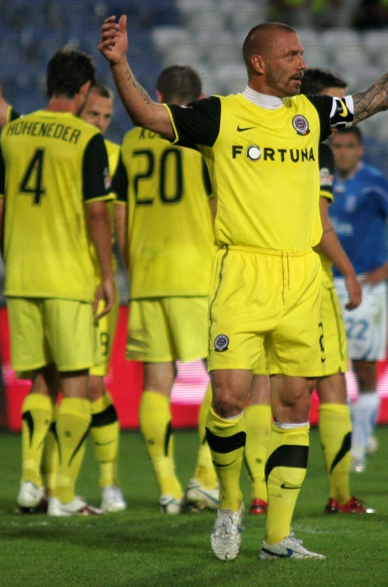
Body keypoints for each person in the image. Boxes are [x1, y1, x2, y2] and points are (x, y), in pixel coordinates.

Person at [99, 0, 388, 560]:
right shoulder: (220, 115)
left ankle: (278, 535)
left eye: (302, 54)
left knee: (295, 403)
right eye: (291, 55)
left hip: (300, 276)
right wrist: (119, 65)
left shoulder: (312, 114)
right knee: (229, 396)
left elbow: (378, 96)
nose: (302, 63)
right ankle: (229, 503)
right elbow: (149, 116)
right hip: (241, 272)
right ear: (259, 62)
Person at [0, 0, 126, 513]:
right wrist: (106, 275)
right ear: (83, 92)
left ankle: (29, 482)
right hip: (68, 279)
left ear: (48, 85)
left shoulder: (14, 132)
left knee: (40, 380)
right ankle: (62, 492)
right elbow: (97, 213)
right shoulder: (86, 140)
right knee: (77, 383)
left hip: (22, 277)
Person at [111, 64, 225, 515]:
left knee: (157, 382)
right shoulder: (201, 139)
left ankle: (166, 486)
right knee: (222, 374)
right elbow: (216, 207)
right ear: (198, 97)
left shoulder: (130, 141)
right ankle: (204, 478)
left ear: (156, 95)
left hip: (147, 274)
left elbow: (120, 212)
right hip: (196, 272)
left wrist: (132, 265)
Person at [327, 127, 388, 473]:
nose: (342, 152)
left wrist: (387, 268)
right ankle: (355, 437)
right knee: (326, 370)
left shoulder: (373, 182)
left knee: (364, 369)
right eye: (337, 146)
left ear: (360, 149)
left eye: (349, 146)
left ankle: (357, 450)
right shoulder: (319, 179)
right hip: (324, 284)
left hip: (364, 287)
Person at [300, 67, 372, 513]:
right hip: (311, 278)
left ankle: (255, 498)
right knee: (330, 383)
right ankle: (340, 494)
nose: (343, 115)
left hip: (259, 275)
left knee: (264, 390)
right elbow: (319, 221)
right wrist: (348, 271)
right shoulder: (317, 150)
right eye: (335, 104)